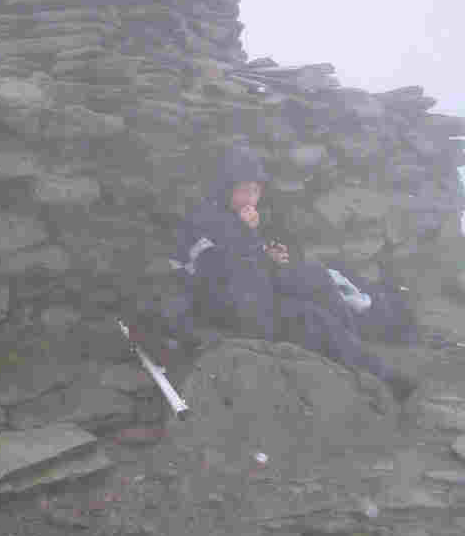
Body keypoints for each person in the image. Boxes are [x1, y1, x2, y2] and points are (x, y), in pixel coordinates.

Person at [163, 147, 418, 402]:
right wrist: (247, 235)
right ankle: (378, 374)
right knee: (313, 318)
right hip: (233, 309)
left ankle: (357, 346)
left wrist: (268, 258)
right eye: (243, 190)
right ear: (225, 189)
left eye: (255, 190)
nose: (250, 198)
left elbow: (248, 266)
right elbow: (219, 276)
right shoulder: (203, 223)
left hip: (255, 295)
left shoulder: (231, 218)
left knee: (315, 276)